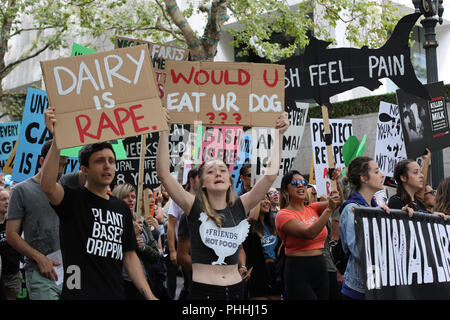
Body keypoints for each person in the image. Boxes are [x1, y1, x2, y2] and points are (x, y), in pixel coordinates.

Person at [157, 108, 289, 300]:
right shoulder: (194, 207)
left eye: (223, 170)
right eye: (211, 171)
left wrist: (279, 134)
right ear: (201, 182)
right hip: (204, 295)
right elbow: (164, 174)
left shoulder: (239, 206)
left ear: (229, 180)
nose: (218, 173)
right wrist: (163, 130)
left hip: (236, 292)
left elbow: (270, 176)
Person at [39, 106, 157, 300]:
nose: (107, 165)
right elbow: (48, 186)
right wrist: (58, 139)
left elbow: (129, 255)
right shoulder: (72, 199)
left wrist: (149, 295)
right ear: (84, 169)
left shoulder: (121, 208)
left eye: (111, 160)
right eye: (100, 160)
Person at [6, 140, 66, 300]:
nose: (60, 170)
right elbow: (11, 235)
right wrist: (39, 258)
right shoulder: (20, 190)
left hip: (71, 271)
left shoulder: (67, 187)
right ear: (42, 161)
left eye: (63, 165)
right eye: (56, 163)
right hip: (41, 272)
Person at [275, 169, 341, 300]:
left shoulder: (312, 208)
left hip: (320, 266)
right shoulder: (283, 215)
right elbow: (309, 233)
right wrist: (328, 209)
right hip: (298, 269)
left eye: (303, 182)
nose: (300, 185)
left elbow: (337, 201)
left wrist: (336, 182)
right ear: (286, 191)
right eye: (295, 183)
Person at [339, 156, 388, 300]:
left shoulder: (377, 208)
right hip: (358, 289)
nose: (382, 175)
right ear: (364, 179)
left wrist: (401, 217)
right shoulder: (351, 210)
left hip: (376, 285)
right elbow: (358, 250)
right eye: (377, 172)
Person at [111, 183, 161, 299]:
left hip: (144, 282)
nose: (131, 200)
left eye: (133, 197)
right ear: (117, 198)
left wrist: (143, 248)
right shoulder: (112, 222)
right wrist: (129, 235)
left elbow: (155, 254)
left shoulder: (142, 222)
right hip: (120, 284)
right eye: (126, 197)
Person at [167, 167, 199, 299]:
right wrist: (173, 250)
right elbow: (171, 223)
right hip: (184, 248)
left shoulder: (206, 199)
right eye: (199, 177)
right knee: (189, 285)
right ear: (191, 180)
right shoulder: (179, 199)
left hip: (199, 249)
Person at [243, 194, 282, 300]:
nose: (266, 201)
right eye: (262, 199)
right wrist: (256, 196)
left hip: (274, 274)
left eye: (267, 199)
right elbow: (253, 218)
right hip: (258, 274)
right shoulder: (248, 225)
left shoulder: (273, 224)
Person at [0, 189, 22, 300]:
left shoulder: (14, 222)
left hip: (13, 273)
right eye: (3, 199)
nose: (7, 202)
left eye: (9, 199)